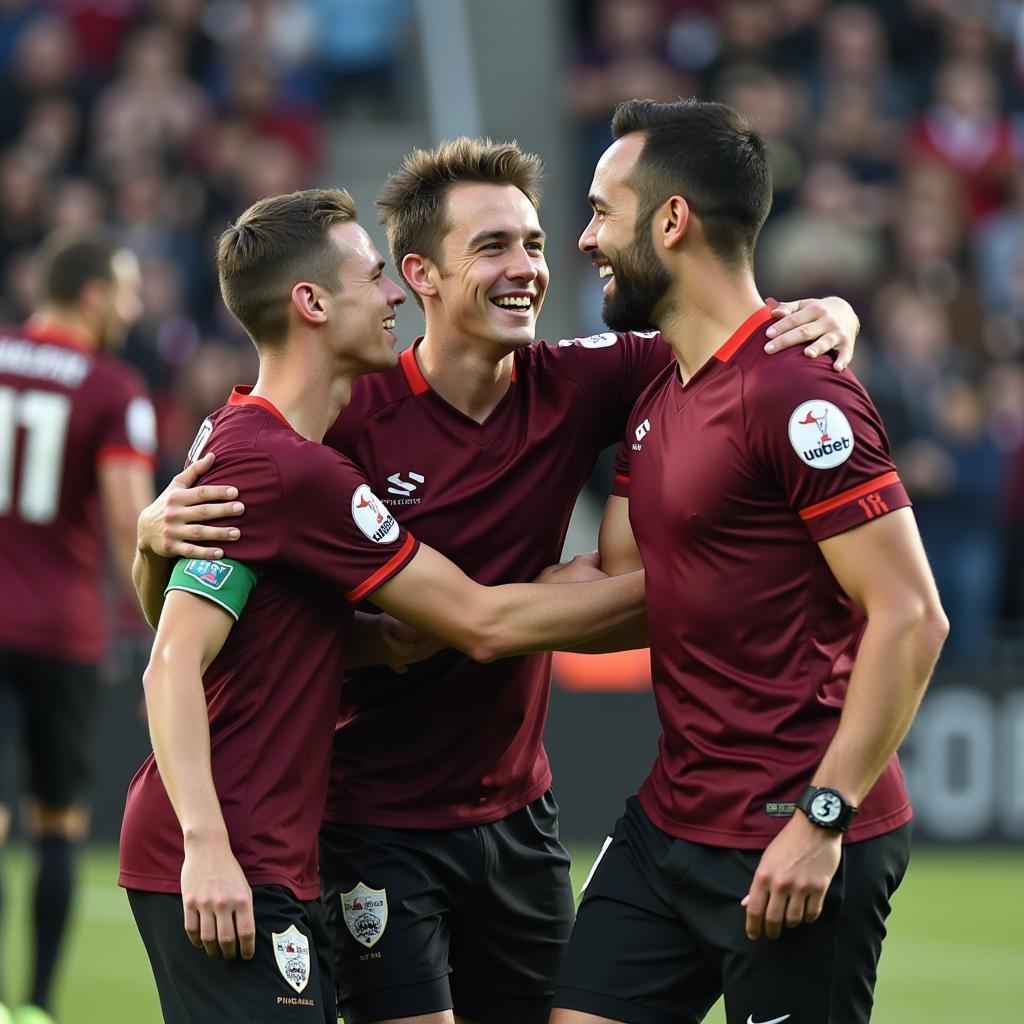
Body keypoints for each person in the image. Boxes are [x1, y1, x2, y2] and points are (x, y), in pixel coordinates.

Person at [135, 140, 863, 1024]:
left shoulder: (586, 379)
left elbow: (722, 325)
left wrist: (827, 312)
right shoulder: (334, 419)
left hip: (520, 815)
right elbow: (201, 636)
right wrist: (153, 542)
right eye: (492, 248)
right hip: (371, 818)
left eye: (533, 244)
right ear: (419, 274)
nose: (527, 269)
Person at [119, 187, 651, 1024]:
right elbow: (172, 662)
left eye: (534, 241)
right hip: (253, 843)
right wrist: (707, 586)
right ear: (314, 302)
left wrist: (154, 547)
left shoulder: (241, 437)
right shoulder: (295, 466)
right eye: (376, 277)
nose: (391, 298)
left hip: (292, 848)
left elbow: (249, 633)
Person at [551, 99, 949, 1024]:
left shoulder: (799, 392)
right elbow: (619, 576)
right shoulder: (659, 379)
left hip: (793, 828)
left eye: (602, 211)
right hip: (672, 815)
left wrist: (822, 822)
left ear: (673, 220)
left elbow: (913, 615)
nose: (583, 239)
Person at [0, 231, 156, 1024]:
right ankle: (35, 1005)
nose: (133, 308)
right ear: (93, 294)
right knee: (56, 821)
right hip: (61, 633)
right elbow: (135, 524)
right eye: (126, 291)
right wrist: (170, 637)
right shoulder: (112, 388)